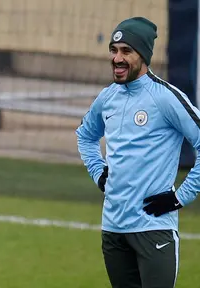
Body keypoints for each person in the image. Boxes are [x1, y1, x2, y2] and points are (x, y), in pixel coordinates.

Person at [76, 16, 200, 288]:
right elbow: (85, 136)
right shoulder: (108, 97)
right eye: (114, 50)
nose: (117, 58)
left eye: (126, 51)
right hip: (113, 229)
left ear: (143, 56)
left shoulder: (165, 98)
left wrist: (180, 197)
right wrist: (99, 173)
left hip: (153, 229)